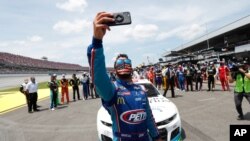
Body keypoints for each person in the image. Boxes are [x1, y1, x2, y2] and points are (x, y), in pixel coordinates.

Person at [87, 12, 162, 141]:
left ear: (132, 68)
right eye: (120, 63)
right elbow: (98, 77)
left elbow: (149, 118)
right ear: (115, 70)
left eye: (126, 62)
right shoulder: (112, 90)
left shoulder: (141, 90)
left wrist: (156, 136)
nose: (124, 64)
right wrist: (97, 41)